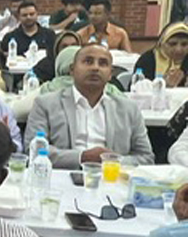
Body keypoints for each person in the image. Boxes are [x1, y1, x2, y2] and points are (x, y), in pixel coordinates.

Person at [25, 44, 153, 169]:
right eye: (88, 61)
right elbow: (34, 150)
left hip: (112, 176)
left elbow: (146, 157)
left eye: (103, 63)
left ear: (110, 74)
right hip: (63, 176)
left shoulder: (128, 109)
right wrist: (82, 157)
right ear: (72, 70)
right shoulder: (46, 104)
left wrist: (112, 160)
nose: (95, 68)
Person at [134, 22, 188, 87]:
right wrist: (163, 84)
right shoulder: (148, 60)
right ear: (162, 43)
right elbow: (135, 88)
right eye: (172, 44)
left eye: (184, 44)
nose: (178, 49)